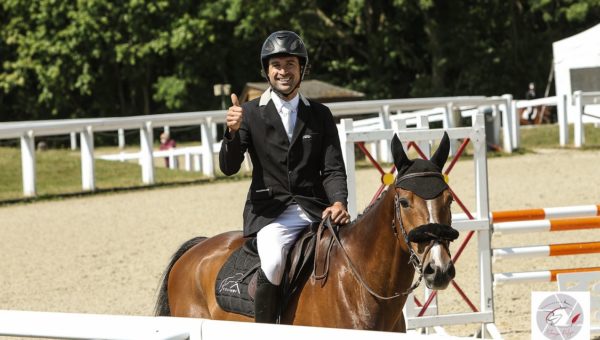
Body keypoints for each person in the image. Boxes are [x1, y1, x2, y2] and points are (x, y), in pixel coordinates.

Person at [219, 30, 350, 323]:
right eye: (276, 65)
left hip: (317, 210)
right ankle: (267, 331)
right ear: (267, 71)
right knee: (275, 260)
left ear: (301, 68)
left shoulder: (320, 114)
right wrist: (231, 133)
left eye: (290, 64)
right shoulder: (249, 113)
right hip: (271, 214)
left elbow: (332, 169)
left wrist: (339, 202)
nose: (283, 71)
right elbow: (229, 167)